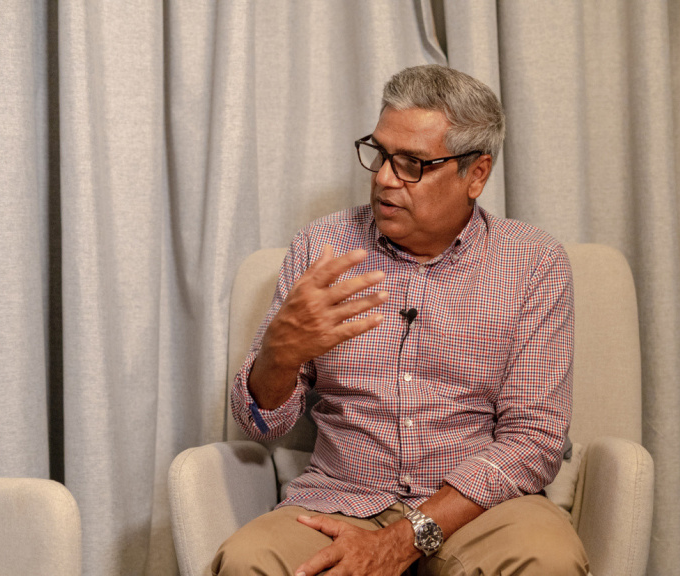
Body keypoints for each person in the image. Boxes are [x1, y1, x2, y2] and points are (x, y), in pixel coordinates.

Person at [214, 64, 589, 576]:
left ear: (476, 174)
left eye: (412, 163)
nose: (385, 178)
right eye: (381, 154)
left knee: (547, 561)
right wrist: (278, 355)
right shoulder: (321, 247)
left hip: (478, 509)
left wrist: (406, 537)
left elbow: (533, 438)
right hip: (341, 497)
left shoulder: (532, 262)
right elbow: (261, 424)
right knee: (248, 560)